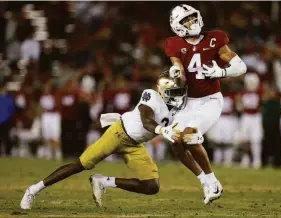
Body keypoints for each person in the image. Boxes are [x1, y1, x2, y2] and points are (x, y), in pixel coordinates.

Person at [20, 72, 204, 209]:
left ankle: (103, 181)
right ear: (163, 91)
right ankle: (33, 189)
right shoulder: (151, 95)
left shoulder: (178, 111)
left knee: (151, 185)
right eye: (175, 91)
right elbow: (146, 119)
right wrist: (163, 130)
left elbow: (180, 136)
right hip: (118, 133)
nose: (179, 96)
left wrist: (191, 136)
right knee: (81, 164)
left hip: (134, 144)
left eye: (180, 91)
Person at [165, 4, 247, 204]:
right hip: (188, 102)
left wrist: (222, 72)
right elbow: (180, 73)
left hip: (210, 100)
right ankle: (205, 180)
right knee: (177, 142)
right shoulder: (174, 44)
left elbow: (241, 66)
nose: (192, 23)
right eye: (187, 20)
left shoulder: (215, 38)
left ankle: (212, 182)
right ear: (177, 26)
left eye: (193, 18)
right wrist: (176, 74)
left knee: (190, 136)